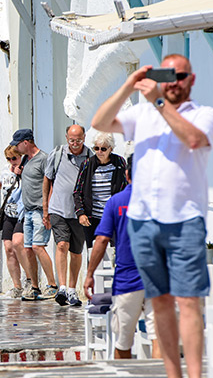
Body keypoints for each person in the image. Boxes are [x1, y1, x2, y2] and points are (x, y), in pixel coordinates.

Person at [91, 53, 213, 378]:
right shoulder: (142, 114)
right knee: (160, 303)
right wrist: (128, 85)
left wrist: (159, 102)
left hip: (185, 220)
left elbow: (194, 140)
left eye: (180, 76)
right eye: (168, 75)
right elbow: (100, 120)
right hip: (144, 221)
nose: (174, 81)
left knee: (190, 302)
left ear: (190, 80)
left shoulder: (203, 113)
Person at [83, 164, 158, 359]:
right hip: (157, 278)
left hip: (128, 279)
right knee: (159, 338)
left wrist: (89, 274)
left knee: (123, 341)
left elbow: (101, 239)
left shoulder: (116, 202)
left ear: (127, 174)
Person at [43, 124, 91, 307]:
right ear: (66, 138)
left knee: (76, 252)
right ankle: (62, 287)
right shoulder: (56, 154)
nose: (75, 143)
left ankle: (72, 289)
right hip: (58, 209)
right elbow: (47, 180)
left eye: (78, 140)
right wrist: (45, 209)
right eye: (72, 140)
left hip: (79, 213)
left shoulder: (90, 156)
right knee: (62, 244)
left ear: (84, 138)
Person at [12, 129, 57, 301]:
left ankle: (52, 285)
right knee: (28, 249)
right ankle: (35, 287)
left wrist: (47, 210)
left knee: (39, 247)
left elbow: (50, 185)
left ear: (26, 142)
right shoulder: (26, 159)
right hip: (28, 211)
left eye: (17, 144)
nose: (16, 148)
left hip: (40, 210)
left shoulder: (43, 158)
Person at [0, 145, 31, 298]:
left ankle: (30, 280)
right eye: (9, 158)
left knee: (19, 244)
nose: (12, 161)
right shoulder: (6, 170)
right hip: (8, 214)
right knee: (8, 248)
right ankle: (16, 285)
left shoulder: (26, 170)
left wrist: (22, 173)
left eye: (15, 158)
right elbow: (3, 183)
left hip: (21, 213)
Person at [73, 132, 128, 250]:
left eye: (103, 149)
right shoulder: (87, 164)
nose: (99, 152)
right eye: (96, 148)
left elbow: (126, 188)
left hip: (114, 216)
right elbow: (77, 191)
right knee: (93, 252)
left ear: (111, 149)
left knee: (116, 250)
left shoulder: (119, 163)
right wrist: (81, 213)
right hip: (92, 218)